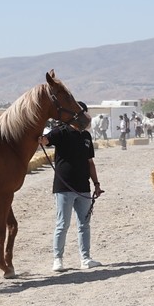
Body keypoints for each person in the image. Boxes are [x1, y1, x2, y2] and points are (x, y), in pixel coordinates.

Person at [41, 102, 103, 272]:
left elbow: (90, 163)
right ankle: (57, 259)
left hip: (83, 187)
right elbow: (45, 141)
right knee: (63, 224)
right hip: (64, 187)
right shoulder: (60, 132)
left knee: (84, 224)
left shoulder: (86, 137)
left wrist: (96, 184)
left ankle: (85, 258)